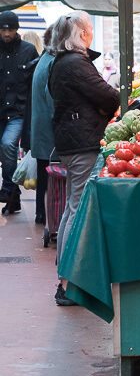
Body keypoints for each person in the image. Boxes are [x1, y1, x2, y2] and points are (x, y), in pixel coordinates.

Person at [48, 11, 119, 307]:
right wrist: (104, 110)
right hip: (81, 143)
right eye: (88, 30)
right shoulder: (76, 64)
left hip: (72, 140)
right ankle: (68, 282)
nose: (91, 34)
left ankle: (66, 277)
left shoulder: (60, 63)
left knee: (72, 207)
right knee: (76, 207)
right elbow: (109, 96)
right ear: (81, 36)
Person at [0, 11, 38, 216]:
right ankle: (13, 198)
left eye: (10, 29)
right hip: (1, 111)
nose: (7, 33)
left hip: (18, 112)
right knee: (6, 151)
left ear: (17, 30)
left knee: (8, 145)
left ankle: (7, 191)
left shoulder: (28, 51)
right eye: (3, 29)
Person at [30, 26, 57, 226]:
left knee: (43, 178)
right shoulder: (52, 63)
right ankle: (48, 216)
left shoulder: (43, 59)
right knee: (50, 178)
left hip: (41, 132)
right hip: (49, 134)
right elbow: (52, 101)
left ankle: (41, 214)